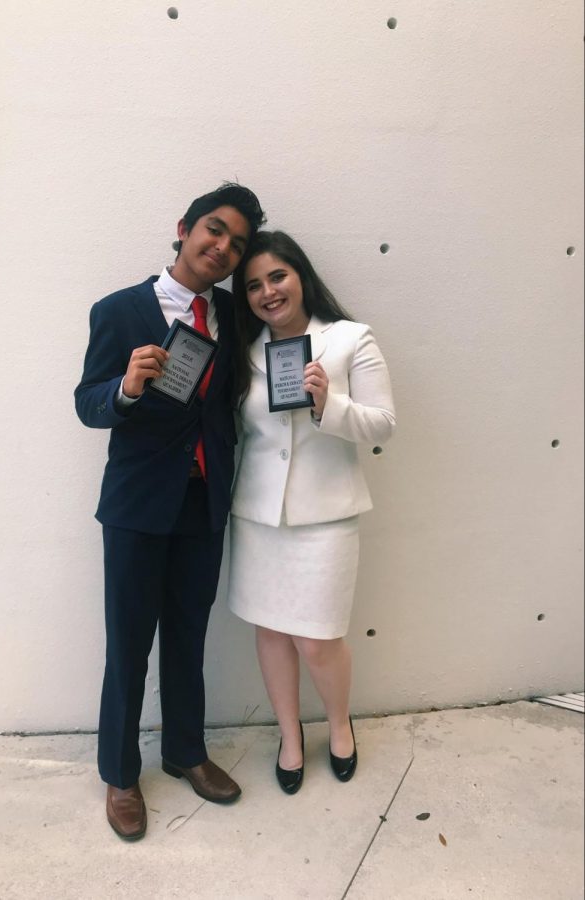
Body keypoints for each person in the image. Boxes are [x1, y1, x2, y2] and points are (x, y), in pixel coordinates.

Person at [75, 183, 266, 839]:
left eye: (237, 244)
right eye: (215, 230)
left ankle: (185, 751)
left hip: (203, 503)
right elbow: (86, 402)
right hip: (135, 505)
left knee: (187, 638)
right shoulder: (119, 310)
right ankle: (120, 774)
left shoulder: (232, 316)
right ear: (184, 228)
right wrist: (125, 387)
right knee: (128, 645)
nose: (223, 248)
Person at [228, 230, 396, 793]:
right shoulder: (243, 352)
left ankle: (340, 724)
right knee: (273, 634)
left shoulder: (350, 339)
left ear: (300, 275)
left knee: (320, 640)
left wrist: (330, 403)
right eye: (253, 285)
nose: (267, 292)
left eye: (277, 276)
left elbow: (383, 424)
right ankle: (290, 735)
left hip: (326, 517)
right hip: (257, 518)